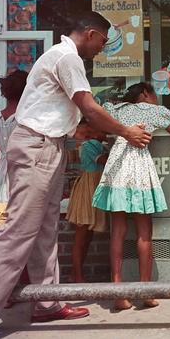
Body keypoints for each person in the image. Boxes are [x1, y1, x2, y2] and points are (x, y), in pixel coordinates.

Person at [0, 11, 153, 321]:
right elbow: (89, 108)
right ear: (91, 33)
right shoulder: (67, 58)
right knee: (19, 232)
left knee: (44, 231)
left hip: (46, 146)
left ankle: (46, 303)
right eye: (103, 43)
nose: (102, 49)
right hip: (37, 147)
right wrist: (127, 131)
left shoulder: (60, 56)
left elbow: (80, 115)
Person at [91, 82, 170, 311]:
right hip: (138, 167)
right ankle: (145, 292)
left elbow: (97, 119)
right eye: (155, 94)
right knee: (144, 232)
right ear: (146, 94)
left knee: (117, 230)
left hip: (116, 166)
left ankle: (118, 293)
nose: (157, 99)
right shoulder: (157, 112)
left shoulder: (117, 109)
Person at [65, 120, 110, 283]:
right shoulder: (89, 144)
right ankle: (77, 276)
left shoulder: (97, 144)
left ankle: (74, 274)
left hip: (94, 188)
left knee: (87, 236)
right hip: (88, 191)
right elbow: (104, 161)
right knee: (81, 235)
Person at [0, 70, 27, 227]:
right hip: (22, 173)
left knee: (0, 222)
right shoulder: (26, 119)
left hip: (0, 174)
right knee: (18, 225)